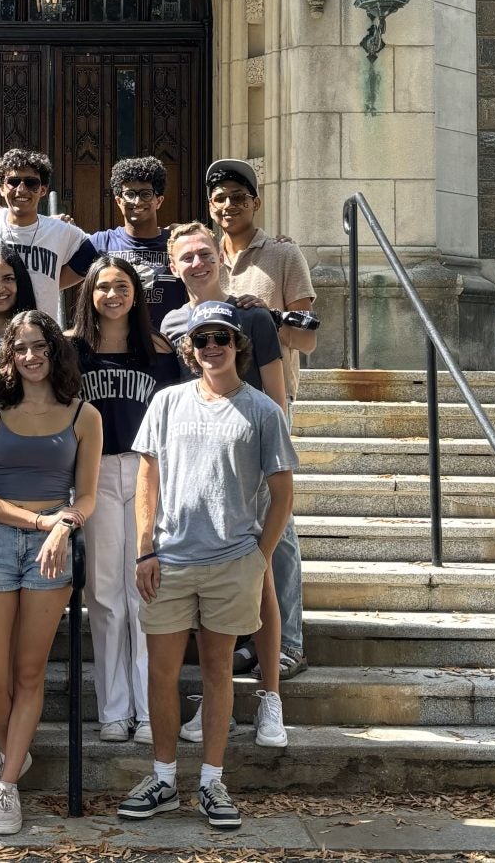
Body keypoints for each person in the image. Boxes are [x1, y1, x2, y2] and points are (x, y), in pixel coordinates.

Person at [117, 300, 296, 831]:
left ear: (238, 343)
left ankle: (212, 780)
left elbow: (282, 494)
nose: (211, 347)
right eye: (201, 340)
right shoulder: (168, 402)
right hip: (169, 559)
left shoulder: (263, 410)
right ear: (189, 350)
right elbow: (146, 480)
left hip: (231, 561)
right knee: (163, 673)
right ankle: (165, 778)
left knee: (219, 671)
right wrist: (144, 548)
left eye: (221, 337)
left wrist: (258, 558)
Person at [0, 310, 102, 835]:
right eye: (20, 348)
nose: (30, 356)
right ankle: (13, 754)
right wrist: (39, 519)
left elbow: (86, 493)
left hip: (53, 547)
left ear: (54, 349)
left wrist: (65, 524)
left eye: (39, 346)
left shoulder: (83, 414)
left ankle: (6, 786)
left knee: (28, 672)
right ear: (10, 355)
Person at [158, 221, 290, 749]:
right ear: (173, 266)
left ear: (221, 257)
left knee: (260, 579)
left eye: (205, 253)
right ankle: (214, 701)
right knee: (202, 586)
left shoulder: (251, 315)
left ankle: (269, 699)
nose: (197, 263)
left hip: (249, 462)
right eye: (186, 256)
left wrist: (268, 461)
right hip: (192, 461)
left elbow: (276, 394)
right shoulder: (171, 323)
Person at [207, 158, 317, 681]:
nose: (228, 205)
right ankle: (252, 636)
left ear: (256, 200)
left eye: (237, 195)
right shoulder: (204, 256)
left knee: (279, 526)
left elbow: (310, 337)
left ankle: (289, 641)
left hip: (267, 404)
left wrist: (267, 317)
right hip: (214, 407)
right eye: (219, 198)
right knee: (232, 524)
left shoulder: (282, 255)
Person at [67, 255, 181, 745]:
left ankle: (151, 706)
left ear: (137, 294)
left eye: (122, 287)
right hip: (93, 475)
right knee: (105, 593)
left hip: (146, 471)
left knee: (145, 592)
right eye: (103, 287)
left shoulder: (159, 351)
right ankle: (114, 709)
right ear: (89, 294)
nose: (113, 295)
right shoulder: (72, 352)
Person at [0, 149, 98, 319]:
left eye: (31, 183)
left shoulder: (60, 230)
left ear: (43, 190)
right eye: (13, 182)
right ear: (1, 188)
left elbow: (95, 253)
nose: (21, 189)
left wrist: (53, 282)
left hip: (40, 336)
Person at [86, 157, 186, 329]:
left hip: (167, 348)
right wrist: (56, 229)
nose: (137, 201)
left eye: (145, 194)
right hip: (114, 349)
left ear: (159, 201)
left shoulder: (178, 244)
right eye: (129, 194)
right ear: (118, 201)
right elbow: (54, 278)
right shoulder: (99, 243)